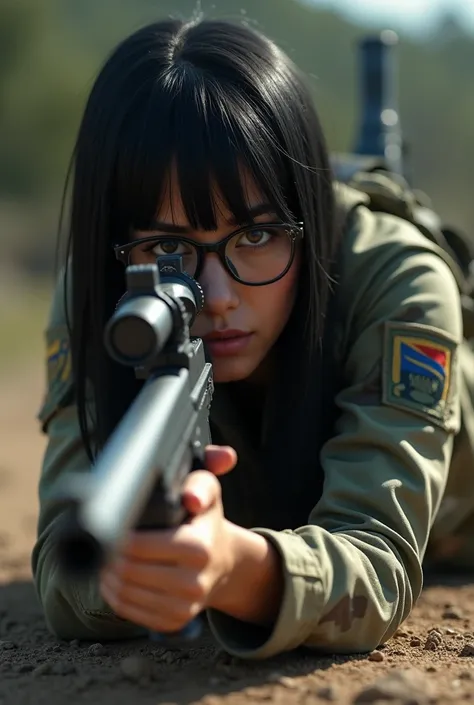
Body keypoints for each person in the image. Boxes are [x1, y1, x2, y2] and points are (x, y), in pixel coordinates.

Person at [32, 17, 474, 660]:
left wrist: (236, 568)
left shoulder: (397, 278)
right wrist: (134, 562)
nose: (218, 296)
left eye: (258, 235)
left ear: (306, 220)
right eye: (168, 246)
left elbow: (378, 568)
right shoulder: (106, 290)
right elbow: (62, 567)